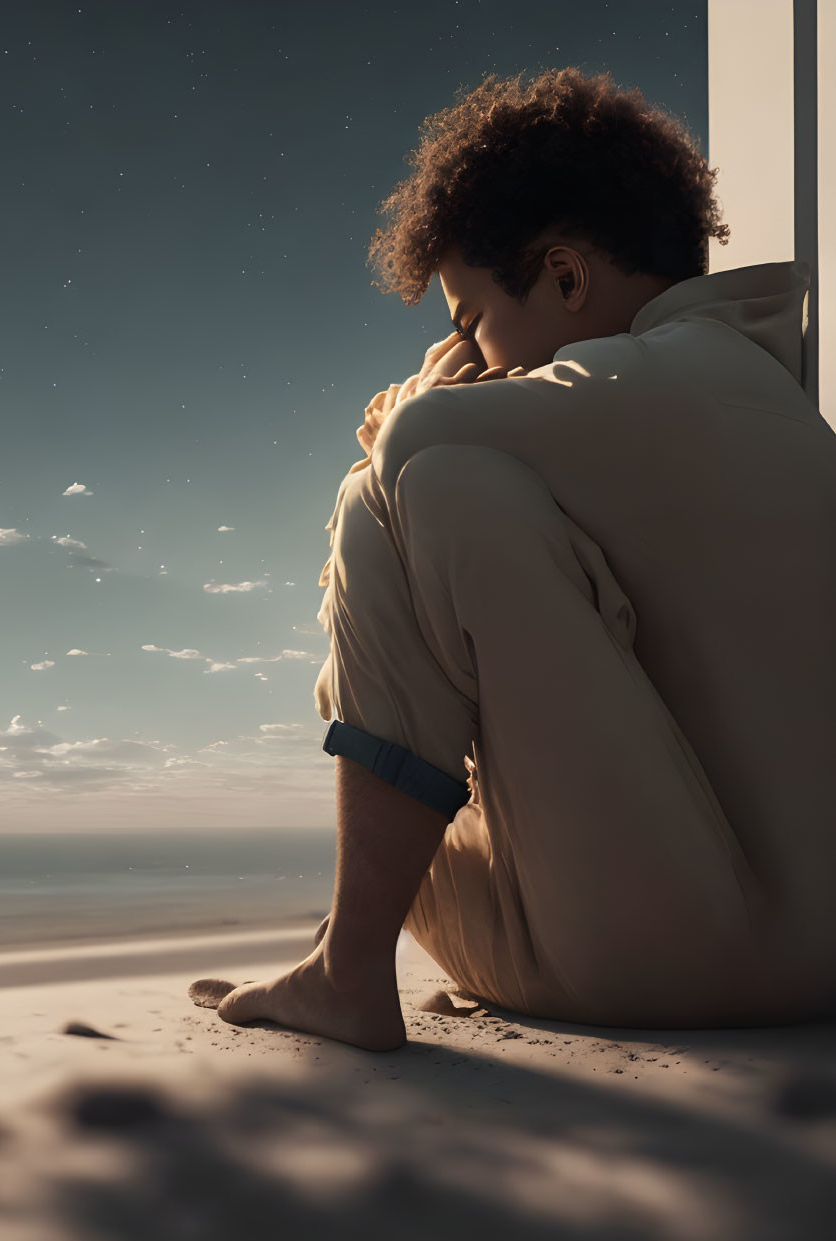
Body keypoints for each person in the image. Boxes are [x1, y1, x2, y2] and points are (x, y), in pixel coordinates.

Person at [190, 67, 836, 1050]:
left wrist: (408, 408)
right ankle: (339, 950)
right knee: (457, 486)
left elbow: (412, 451)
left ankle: (344, 971)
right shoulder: (767, 396)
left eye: (470, 323)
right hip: (817, 961)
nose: (476, 358)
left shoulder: (614, 382)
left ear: (564, 278)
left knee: (396, 492)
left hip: (653, 971)